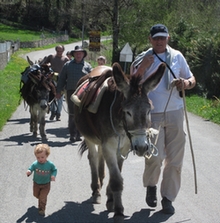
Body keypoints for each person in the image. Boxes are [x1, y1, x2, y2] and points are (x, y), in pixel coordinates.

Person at [131, 24, 196, 214]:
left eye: (163, 37)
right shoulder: (142, 58)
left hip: (175, 111)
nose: (159, 41)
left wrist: (186, 83)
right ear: (150, 39)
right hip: (153, 113)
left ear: (168, 38)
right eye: (156, 38)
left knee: (175, 159)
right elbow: (131, 83)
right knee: (155, 156)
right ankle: (151, 185)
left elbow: (191, 78)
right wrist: (143, 68)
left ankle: (168, 198)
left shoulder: (178, 56)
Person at [56, 45, 92, 142]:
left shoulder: (88, 66)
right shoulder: (67, 65)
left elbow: (92, 80)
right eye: (76, 53)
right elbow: (62, 79)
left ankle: (79, 134)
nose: (78, 55)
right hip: (71, 92)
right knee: (72, 113)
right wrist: (58, 91)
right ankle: (72, 134)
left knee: (82, 113)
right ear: (74, 54)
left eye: (80, 53)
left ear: (83, 54)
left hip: (84, 93)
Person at [26, 143, 57, 216]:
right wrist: (29, 171)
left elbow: (54, 170)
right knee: (36, 195)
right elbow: (31, 168)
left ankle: (42, 209)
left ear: (47, 155)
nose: (40, 159)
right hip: (36, 183)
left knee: (42, 197)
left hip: (46, 184)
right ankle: (40, 200)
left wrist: (53, 175)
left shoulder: (50, 164)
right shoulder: (35, 164)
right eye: (38, 157)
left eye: (42, 157)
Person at [44, 45, 69, 121]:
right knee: (52, 96)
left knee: (60, 98)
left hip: (62, 80)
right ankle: (53, 112)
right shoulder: (51, 57)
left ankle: (58, 114)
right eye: (58, 51)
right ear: (56, 50)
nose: (59, 53)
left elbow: (68, 70)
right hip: (52, 80)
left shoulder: (66, 59)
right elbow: (44, 64)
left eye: (61, 51)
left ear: (63, 51)